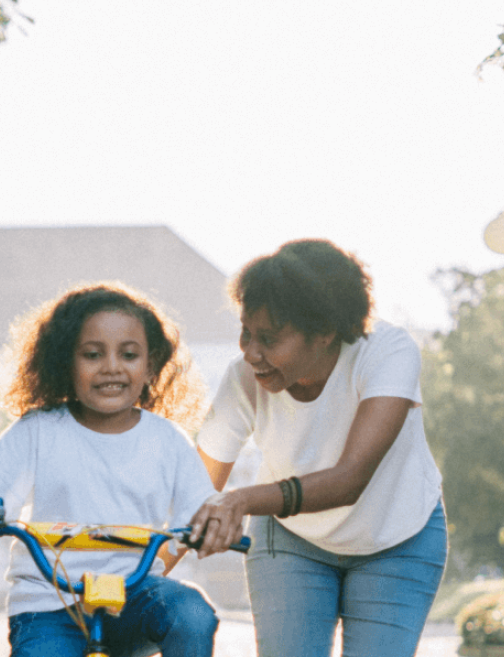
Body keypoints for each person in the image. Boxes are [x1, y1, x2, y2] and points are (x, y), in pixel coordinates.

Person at [185, 239, 447, 656]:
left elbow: (349, 479)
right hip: (289, 538)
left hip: (396, 538)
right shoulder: (243, 378)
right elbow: (195, 494)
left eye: (269, 339)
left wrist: (240, 500)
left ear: (325, 332)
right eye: (245, 333)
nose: (251, 353)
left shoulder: (387, 353)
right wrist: (130, 582)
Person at [0, 282, 221, 657]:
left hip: (134, 596)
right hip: (49, 603)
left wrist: (214, 526)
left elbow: (203, 510)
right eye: (92, 354)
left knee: (193, 613)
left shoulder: (166, 440)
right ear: (65, 362)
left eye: (129, 355)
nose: (112, 367)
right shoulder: (39, 430)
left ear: (151, 366)